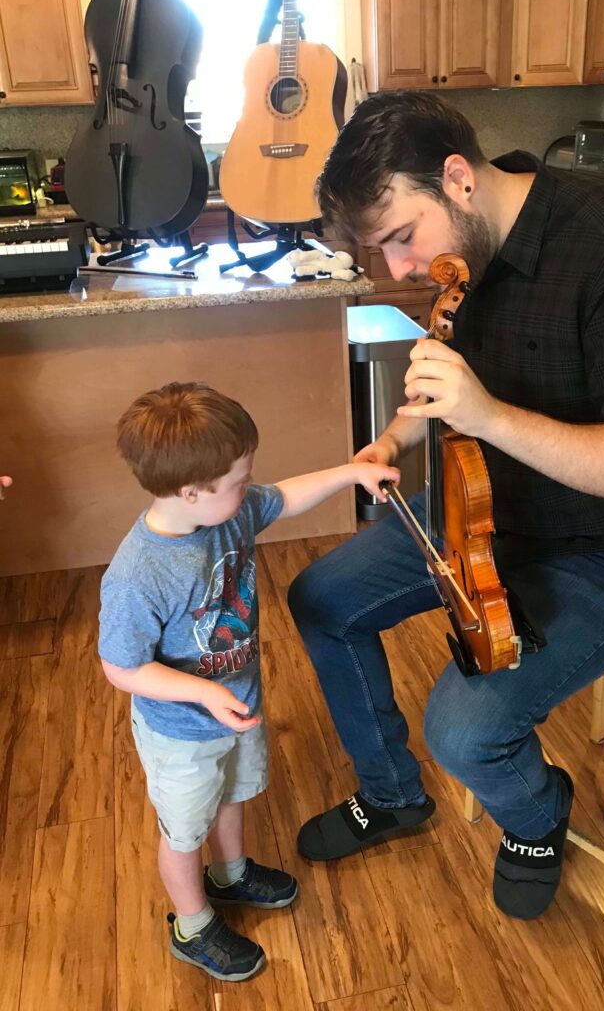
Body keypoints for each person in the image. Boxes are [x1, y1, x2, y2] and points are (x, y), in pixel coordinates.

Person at [287, 90, 604, 921]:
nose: (399, 270)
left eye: (401, 238)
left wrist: (488, 417)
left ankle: (538, 817)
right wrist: (395, 438)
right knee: (321, 599)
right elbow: (447, 376)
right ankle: (394, 794)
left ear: (457, 178)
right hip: (489, 514)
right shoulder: (461, 256)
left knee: (466, 732)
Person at [98, 381, 399, 982]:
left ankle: (231, 874)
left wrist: (349, 472)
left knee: (234, 793)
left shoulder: (225, 515)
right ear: (190, 490)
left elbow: (284, 498)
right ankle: (193, 923)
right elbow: (121, 667)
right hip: (183, 730)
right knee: (185, 828)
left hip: (237, 706)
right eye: (238, 481)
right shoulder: (139, 574)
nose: (248, 487)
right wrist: (204, 692)